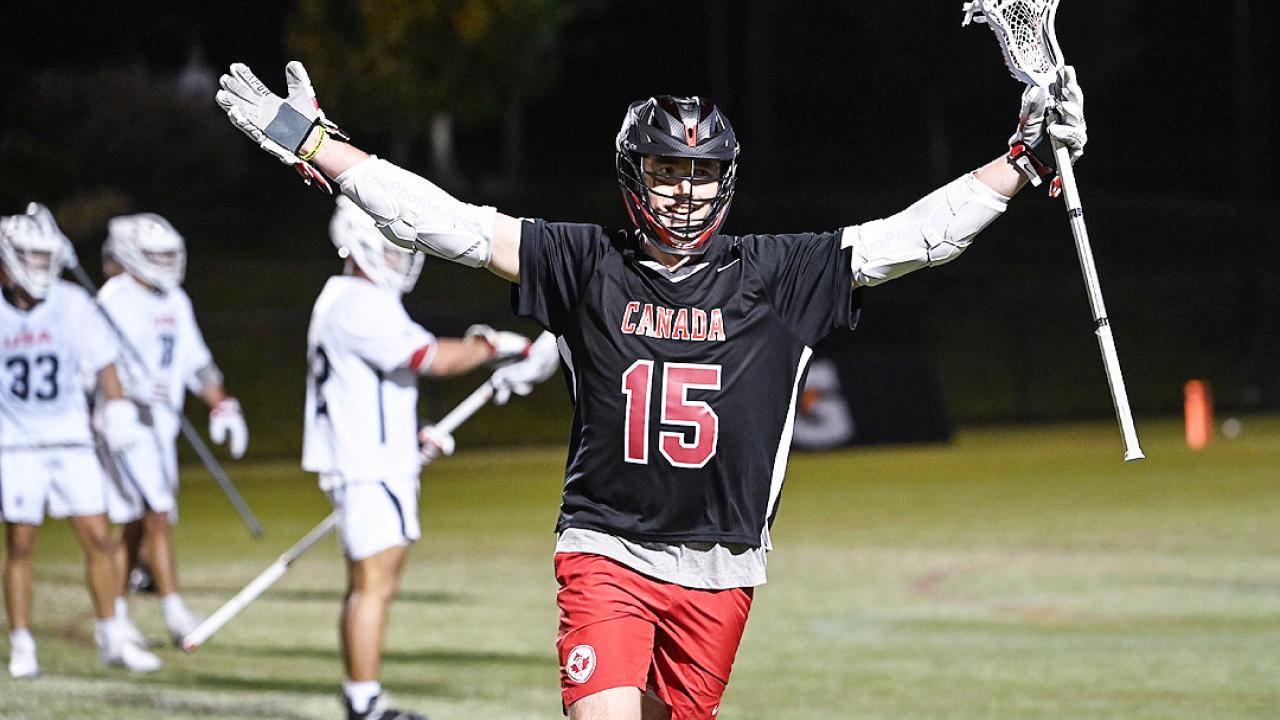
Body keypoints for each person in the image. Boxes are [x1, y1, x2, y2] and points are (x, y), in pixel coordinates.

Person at [217, 61, 1087, 719]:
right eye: (667, 172)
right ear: (635, 174)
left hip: (723, 566)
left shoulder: (776, 273)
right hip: (607, 551)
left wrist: (1020, 160)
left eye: (700, 174)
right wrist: (319, 145)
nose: (685, 190)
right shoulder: (585, 260)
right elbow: (441, 222)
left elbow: (916, 239)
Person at [304, 196, 548, 720]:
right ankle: (364, 702)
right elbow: (427, 358)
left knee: (374, 584)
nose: (398, 257)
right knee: (374, 586)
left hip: (374, 457)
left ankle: (363, 697)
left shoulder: (347, 299)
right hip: (368, 466)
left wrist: (408, 436)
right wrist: (488, 345)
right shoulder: (357, 302)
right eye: (388, 246)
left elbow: (372, 383)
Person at [1, 209, 162, 677]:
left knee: (97, 537)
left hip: (69, 439)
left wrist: (116, 409)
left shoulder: (72, 303)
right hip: (15, 445)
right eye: (30, 255)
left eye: (44, 255)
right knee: (21, 545)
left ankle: (113, 634)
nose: (39, 265)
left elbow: (103, 364)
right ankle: (22, 643)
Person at [94, 212, 249, 645]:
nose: (164, 263)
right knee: (155, 514)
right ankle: (174, 611)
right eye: (155, 255)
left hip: (161, 427)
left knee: (137, 523)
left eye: (168, 255)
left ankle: (117, 614)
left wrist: (223, 406)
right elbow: (95, 362)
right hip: (123, 424)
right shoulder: (114, 300)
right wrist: (129, 392)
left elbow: (196, 362)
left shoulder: (175, 300)